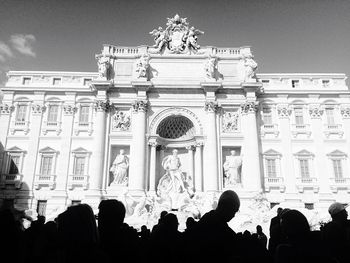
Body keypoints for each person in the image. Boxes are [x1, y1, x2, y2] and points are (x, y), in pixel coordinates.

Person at [188, 190, 240, 262]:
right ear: (227, 208)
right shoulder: (225, 233)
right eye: (233, 211)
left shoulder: (207, 218)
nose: (234, 215)